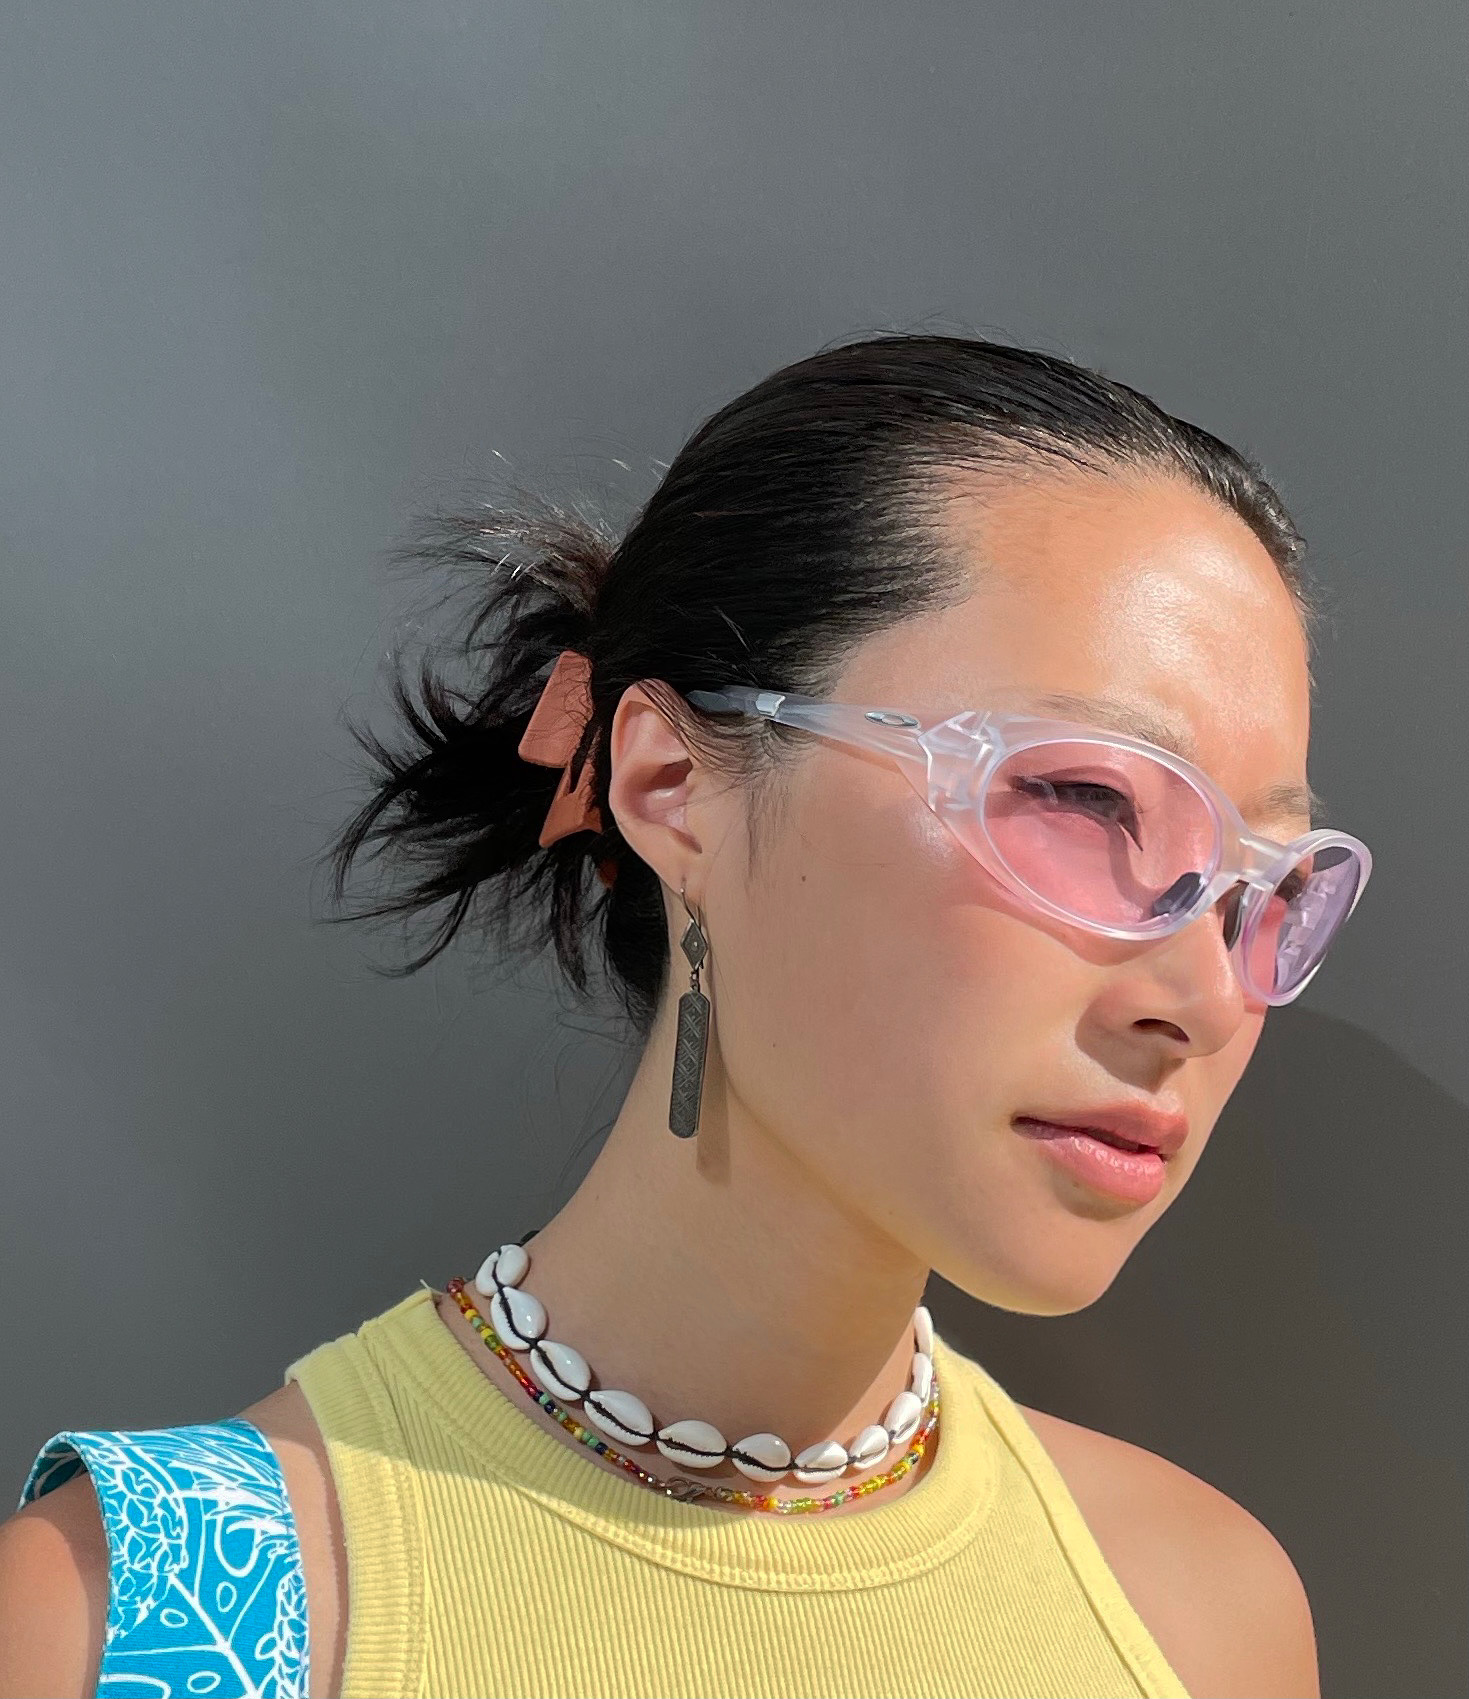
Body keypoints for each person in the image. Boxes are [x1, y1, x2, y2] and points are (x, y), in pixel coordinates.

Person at [0, 333, 1371, 1699]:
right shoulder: (134, 1626)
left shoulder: (1199, 1622)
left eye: (1268, 885)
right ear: (670, 782)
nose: (1204, 997)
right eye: (1083, 800)